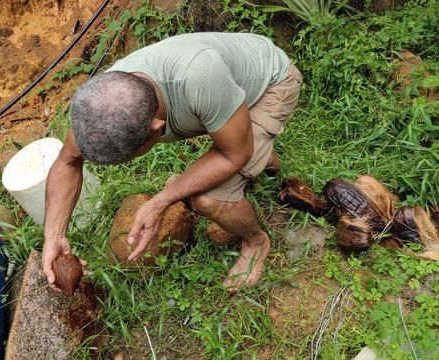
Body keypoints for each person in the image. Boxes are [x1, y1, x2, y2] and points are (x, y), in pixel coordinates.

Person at [42, 32, 302, 292]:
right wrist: (54, 237)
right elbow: (68, 162)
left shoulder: (201, 78)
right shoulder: (100, 107)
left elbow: (234, 155)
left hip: (270, 86)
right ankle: (259, 150)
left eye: (130, 157)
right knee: (231, 149)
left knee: (208, 198)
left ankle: (257, 241)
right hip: (222, 97)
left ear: (157, 129)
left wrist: (162, 200)